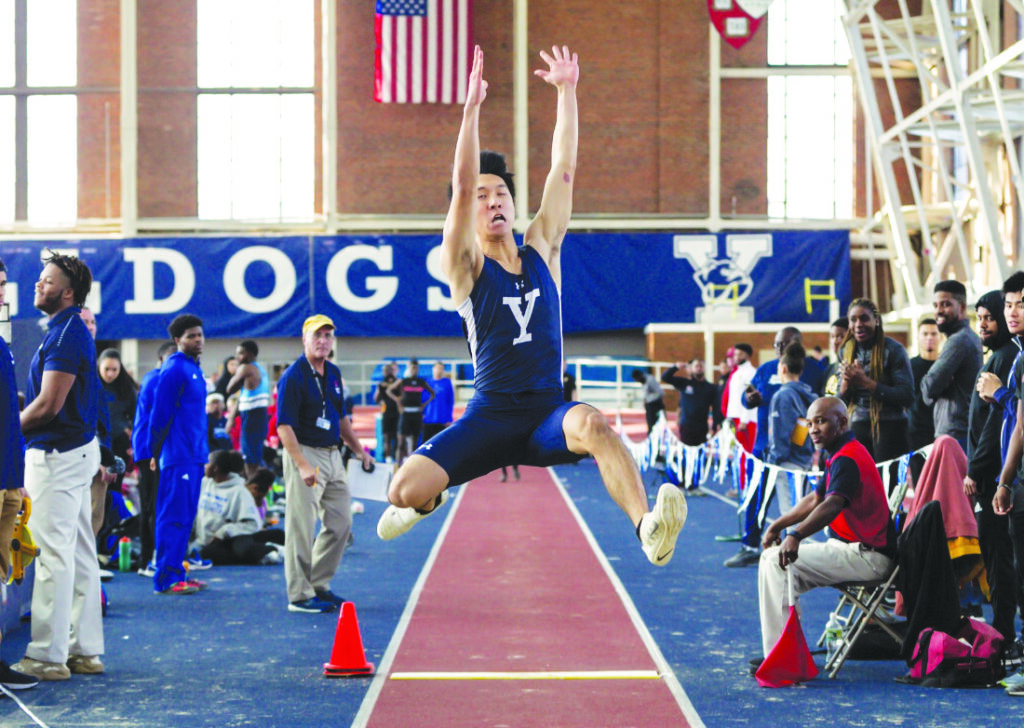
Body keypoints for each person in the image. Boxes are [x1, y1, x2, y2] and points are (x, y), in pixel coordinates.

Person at [374, 45, 687, 568]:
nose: (493, 200)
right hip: (489, 418)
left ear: (515, 205)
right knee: (401, 491)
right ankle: (428, 501)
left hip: (546, 413)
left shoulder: (543, 249)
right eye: (482, 196)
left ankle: (647, 527)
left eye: (501, 193)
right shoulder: (465, 268)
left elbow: (564, 167)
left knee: (595, 425)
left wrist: (567, 92)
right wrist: (470, 112)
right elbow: (459, 188)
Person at [14, 251, 105, 681]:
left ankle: (47, 656)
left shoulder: (67, 334)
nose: (39, 284)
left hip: (58, 456)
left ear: (68, 293)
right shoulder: (67, 330)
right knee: (80, 552)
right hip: (76, 452)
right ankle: (84, 651)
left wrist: (9, 430)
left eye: (47, 281)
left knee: (53, 554)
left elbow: (49, 405)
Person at [753, 396, 896, 663]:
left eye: (820, 421)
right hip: (852, 550)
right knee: (773, 561)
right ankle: (785, 653)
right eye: (809, 423)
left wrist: (795, 535)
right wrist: (777, 526)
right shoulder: (840, 454)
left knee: (775, 562)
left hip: (868, 557)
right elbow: (815, 499)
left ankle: (782, 659)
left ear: (842, 422)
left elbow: (832, 504)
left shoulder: (848, 458)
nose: (813, 429)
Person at [276, 314, 373, 613]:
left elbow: (340, 417)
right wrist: (302, 464)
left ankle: (318, 583)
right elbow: (283, 426)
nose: (322, 341)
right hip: (305, 453)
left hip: (333, 454)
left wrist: (359, 450)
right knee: (301, 526)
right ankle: (299, 595)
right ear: (304, 339)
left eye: (327, 335)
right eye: (317, 335)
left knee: (341, 522)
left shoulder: (333, 372)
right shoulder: (293, 376)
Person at [148, 313, 209, 595]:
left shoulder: (193, 368)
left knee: (186, 517)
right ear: (177, 340)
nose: (198, 340)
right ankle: (165, 578)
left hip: (194, 455)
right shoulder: (174, 369)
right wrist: (153, 450)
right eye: (191, 336)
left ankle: (178, 571)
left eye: (200, 334)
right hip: (177, 455)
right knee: (173, 516)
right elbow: (159, 414)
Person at [0, 258, 38, 691]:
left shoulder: (1, 342)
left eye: (3, 284)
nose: (1, 292)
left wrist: (16, 477)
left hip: (7, 478)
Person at [837, 298, 915, 461]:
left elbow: (907, 396)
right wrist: (845, 383)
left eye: (864, 318)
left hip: (890, 426)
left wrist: (866, 382)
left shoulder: (894, 350)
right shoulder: (845, 351)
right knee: (859, 475)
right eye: (853, 320)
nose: (858, 324)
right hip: (858, 424)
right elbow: (840, 402)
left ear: (876, 321)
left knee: (885, 477)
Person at [131, 341, 176, 577]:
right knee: (153, 505)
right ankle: (148, 560)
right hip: (151, 450)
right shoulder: (157, 379)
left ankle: (152, 558)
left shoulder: (161, 378)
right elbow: (162, 417)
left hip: (155, 449)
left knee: (157, 504)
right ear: (161, 359)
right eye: (172, 358)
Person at [191, 452, 283, 566]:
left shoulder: (239, 492)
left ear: (215, 468)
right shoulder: (204, 483)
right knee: (200, 553)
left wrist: (224, 532)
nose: (205, 466)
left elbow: (252, 524)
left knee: (233, 550)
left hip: (230, 538)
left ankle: (271, 550)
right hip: (205, 540)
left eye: (208, 463)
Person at [922, 280, 983, 451]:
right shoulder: (967, 337)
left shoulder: (959, 341)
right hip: (959, 432)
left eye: (946, 304)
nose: (938, 311)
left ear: (962, 307)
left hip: (956, 435)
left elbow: (928, 387)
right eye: (936, 305)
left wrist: (933, 385)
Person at [226, 339, 270, 478]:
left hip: (252, 416)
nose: (237, 357)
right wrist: (231, 419)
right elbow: (242, 396)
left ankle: (252, 485)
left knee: (250, 459)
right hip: (258, 415)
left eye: (240, 353)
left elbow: (229, 389)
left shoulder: (246, 368)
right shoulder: (260, 369)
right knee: (253, 454)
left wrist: (237, 372)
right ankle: (254, 482)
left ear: (250, 354)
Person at [387, 358, 435, 466]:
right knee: (401, 443)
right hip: (405, 414)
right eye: (413, 368)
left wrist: (424, 405)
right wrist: (398, 401)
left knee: (414, 444)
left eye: (416, 368)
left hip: (416, 414)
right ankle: (398, 467)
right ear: (409, 368)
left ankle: (412, 466)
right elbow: (389, 391)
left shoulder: (421, 382)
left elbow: (433, 394)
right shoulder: (403, 381)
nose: (414, 370)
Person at [660, 360, 714, 445]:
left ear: (704, 368)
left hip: (702, 427)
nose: (699, 368)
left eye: (701, 366)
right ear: (692, 368)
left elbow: (715, 407)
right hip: (687, 426)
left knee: (700, 451)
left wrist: (714, 426)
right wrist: (675, 367)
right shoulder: (684, 383)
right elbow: (665, 377)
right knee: (686, 450)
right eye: (696, 366)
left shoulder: (710, 388)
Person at [907, 317, 940, 451]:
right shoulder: (909, 366)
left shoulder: (946, 365)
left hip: (940, 429)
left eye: (933, 333)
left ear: (940, 337)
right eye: (925, 334)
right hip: (916, 431)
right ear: (918, 337)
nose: (929, 338)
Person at [423, 361, 455, 440]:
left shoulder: (447, 382)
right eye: (438, 368)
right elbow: (423, 400)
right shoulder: (427, 382)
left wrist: (449, 418)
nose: (439, 371)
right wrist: (422, 414)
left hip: (442, 419)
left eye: (441, 369)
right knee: (426, 442)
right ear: (433, 369)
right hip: (428, 418)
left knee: (442, 442)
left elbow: (450, 401)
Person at [374, 362, 400, 462]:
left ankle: (396, 457)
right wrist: (381, 401)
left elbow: (402, 396)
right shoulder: (381, 384)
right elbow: (376, 398)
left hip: (396, 413)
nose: (386, 373)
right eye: (384, 371)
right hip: (386, 413)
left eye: (387, 370)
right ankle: (387, 457)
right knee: (386, 436)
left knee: (397, 436)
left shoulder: (397, 382)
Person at [632, 367, 665, 434]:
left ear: (640, 376)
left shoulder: (650, 380)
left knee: (658, 426)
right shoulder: (643, 382)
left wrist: (649, 399)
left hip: (656, 405)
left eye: (637, 379)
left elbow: (660, 393)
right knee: (650, 426)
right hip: (649, 406)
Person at [822, 317, 848, 396]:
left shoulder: (854, 370)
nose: (835, 341)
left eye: (841, 337)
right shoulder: (830, 369)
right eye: (832, 336)